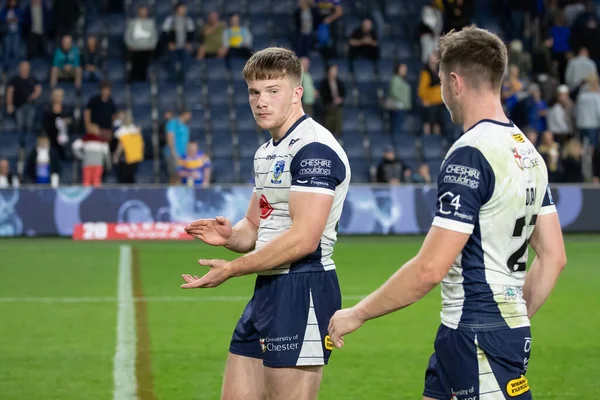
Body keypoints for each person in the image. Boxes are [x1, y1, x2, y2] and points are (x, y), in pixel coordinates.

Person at [328, 25, 567, 400]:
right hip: (480, 329)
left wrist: (357, 313)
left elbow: (429, 269)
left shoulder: (470, 153)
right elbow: (554, 257)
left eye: (440, 80)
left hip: (475, 331)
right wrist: (514, 319)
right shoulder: (529, 153)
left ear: (454, 82)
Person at [181, 47, 351, 400]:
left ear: (296, 93)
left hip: (303, 287)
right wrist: (230, 236)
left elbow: (304, 239)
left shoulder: (313, 149)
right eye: (254, 92)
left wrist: (231, 269)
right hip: (269, 288)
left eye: (273, 91)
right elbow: (255, 229)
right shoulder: (267, 151)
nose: (261, 101)